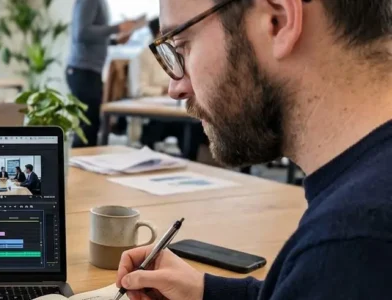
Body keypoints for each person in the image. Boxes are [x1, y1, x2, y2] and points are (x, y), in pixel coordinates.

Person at [116, 0, 392, 299]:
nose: (176, 88)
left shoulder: (354, 241)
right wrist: (206, 292)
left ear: (278, 21)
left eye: (183, 45)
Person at [68, 0, 146, 147]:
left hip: (91, 71)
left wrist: (115, 41)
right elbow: (81, 33)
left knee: (92, 125)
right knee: (87, 127)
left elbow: (92, 37)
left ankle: (87, 160)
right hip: (83, 71)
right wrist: (117, 28)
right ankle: (80, 161)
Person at [137, 18, 208, 161]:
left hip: (178, 109)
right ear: (159, 33)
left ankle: (191, 161)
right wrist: (162, 90)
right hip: (156, 112)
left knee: (193, 128)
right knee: (156, 131)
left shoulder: (175, 52)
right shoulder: (144, 55)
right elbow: (141, 89)